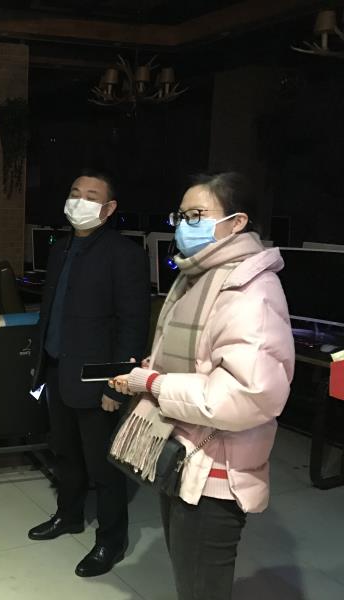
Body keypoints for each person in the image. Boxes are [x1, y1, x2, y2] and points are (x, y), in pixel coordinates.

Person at [108, 172, 294, 600]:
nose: (183, 226)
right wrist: (152, 371)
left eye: (196, 215)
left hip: (215, 471)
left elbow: (247, 395)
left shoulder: (249, 290)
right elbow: (198, 359)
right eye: (180, 216)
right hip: (184, 455)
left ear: (237, 222)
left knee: (200, 587)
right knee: (189, 580)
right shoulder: (197, 278)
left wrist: (155, 383)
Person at [28, 169, 151, 577]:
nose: (79, 201)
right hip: (57, 367)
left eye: (91, 196)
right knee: (64, 452)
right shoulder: (61, 248)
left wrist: (118, 385)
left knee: (103, 466)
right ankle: (69, 515)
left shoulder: (124, 254)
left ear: (109, 208)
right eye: (74, 192)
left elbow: (133, 323)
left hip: (98, 379)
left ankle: (111, 541)